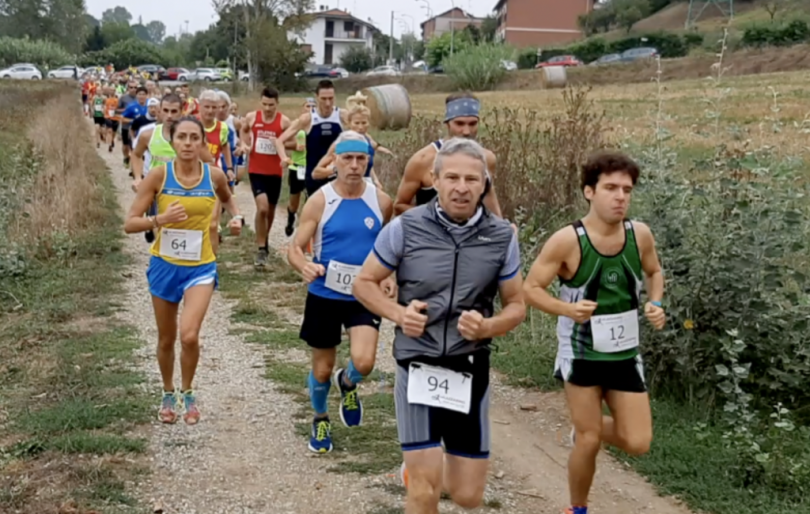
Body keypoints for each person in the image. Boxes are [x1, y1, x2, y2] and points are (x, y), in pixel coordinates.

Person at [352, 137, 525, 513]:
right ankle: (419, 468)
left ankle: (418, 467)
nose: (461, 188)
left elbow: (517, 305)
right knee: (425, 490)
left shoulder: (500, 237)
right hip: (418, 362)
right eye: (452, 178)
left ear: (484, 184)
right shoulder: (405, 228)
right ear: (434, 179)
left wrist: (488, 327)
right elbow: (363, 283)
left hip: (469, 365)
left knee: (467, 496)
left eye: (471, 180)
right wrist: (399, 314)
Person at [521, 150, 666, 514]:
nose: (620, 197)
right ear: (589, 191)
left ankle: (585, 427)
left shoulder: (640, 235)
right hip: (581, 352)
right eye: (611, 188)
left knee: (638, 441)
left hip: (624, 354)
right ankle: (577, 508)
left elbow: (654, 271)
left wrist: (656, 303)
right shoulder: (568, 240)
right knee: (588, 441)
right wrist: (567, 309)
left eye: (627, 190)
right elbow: (531, 289)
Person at [124, 116, 244, 425]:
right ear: (173, 142)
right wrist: (159, 220)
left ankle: (187, 393)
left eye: (194, 138)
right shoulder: (158, 176)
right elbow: (130, 223)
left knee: (189, 336)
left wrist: (237, 218)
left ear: (203, 142)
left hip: (200, 267)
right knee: (167, 339)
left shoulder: (214, 175)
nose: (188, 143)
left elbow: (230, 200)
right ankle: (167, 392)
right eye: (182, 138)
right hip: (164, 266)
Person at [287, 130, 394, 454]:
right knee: (321, 368)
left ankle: (347, 383)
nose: (354, 165)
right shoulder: (321, 200)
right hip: (325, 294)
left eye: (361, 159)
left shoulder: (381, 201)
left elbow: (391, 246)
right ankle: (320, 417)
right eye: (347, 158)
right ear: (334, 161)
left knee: (364, 362)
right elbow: (293, 247)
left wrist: (391, 276)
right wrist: (303, 265)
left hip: (364, 293)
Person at [394, 93, 502, 218]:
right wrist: (434, 222)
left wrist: (502, 228)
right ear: (447, 124)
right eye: (459, 124)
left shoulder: (486, 158)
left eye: (472, 124)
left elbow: (488, 197)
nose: (466, 131)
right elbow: (399, 205)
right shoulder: (423, 160)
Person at [240, 87, 292, 267]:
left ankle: (264, 239)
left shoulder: (284, 122)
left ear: (277, 103)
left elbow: (295, 141)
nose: (268, 108)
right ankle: (261, 248)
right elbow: (243, 129)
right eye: (264, 104)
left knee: (270, 212)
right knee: (262, 208)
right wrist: (244, 144)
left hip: (275, 172)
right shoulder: (252, 117)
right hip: (256, 170)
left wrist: (280, 144)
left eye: (271, 105)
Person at [131, 94, 188, 244]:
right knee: (160, 228)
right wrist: (138, 178)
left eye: (174, 111)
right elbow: (136, 155)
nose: (169, 116)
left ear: (182, 112)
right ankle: (160, 252)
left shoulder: (189, 136)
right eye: (166, 110)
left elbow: (204, 160)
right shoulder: (148, 135)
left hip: (182, 186)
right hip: (157, 187)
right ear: (159, 111)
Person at [276, 80, 348, 198]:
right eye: (324, 99)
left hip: (337, 175)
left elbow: (361, 135)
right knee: (317, 214)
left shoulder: (342, 116)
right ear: (317, 97)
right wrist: (284, 157)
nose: (328, 103)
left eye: (331, 98)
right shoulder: (307, 119)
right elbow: (279, 141)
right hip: (314, 176)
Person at [313, 92, 392, 191]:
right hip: (346, 187)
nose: (360, 127)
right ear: (349, 123)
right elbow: (316, 172)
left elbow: (367, 163)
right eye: (357, 123)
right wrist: (337, 170)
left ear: (369, 123)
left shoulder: (368, 139)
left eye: (364, 123)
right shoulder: (341, 143)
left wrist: (376, 181)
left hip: (367, 185)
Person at [198, 90, 233, 257]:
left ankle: (211, 262)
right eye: (207, 107)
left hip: (213, 176)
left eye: (214, 107)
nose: (211, 111)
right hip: (192, 176)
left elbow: (225, 146)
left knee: (212, 224)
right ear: (199, 106)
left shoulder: (222, 127)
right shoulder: (190, 124)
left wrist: (230, 168)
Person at [281, 98, 315, 237]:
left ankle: (306, 230)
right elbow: (284, 141)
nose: (311, 108)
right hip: (296, 167)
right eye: (308, 106)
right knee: (294, 202)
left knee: (311, 202)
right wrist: (295, 146)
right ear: (303, 108)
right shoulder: (297, 124)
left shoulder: (319, 126)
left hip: (312, 168)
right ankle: (290, 219)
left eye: (313, 106)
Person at [117, 81, 139, 169]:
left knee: (134, 145)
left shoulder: (140, 98)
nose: (133, 89)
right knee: (125, 145)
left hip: (137, 126)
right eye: (131, 87)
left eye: (135, 87)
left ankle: (134, 166)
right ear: (128, 88)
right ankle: (126, 157)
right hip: (126, 125)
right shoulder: (123, 98)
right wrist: (126, 110)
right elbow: (117, 110)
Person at [104, 87, 121, 153]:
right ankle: (110, 145)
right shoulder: (106, 99)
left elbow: (119, 108)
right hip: (108, 117)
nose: (112, 91)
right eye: (110, 90)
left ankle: (112, 140)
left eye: (113, 90)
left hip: (116, 118)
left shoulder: (117, 100)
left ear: (115, 91)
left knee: (114, 132)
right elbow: (104, 107)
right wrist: (104, 114)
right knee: (110, 130)